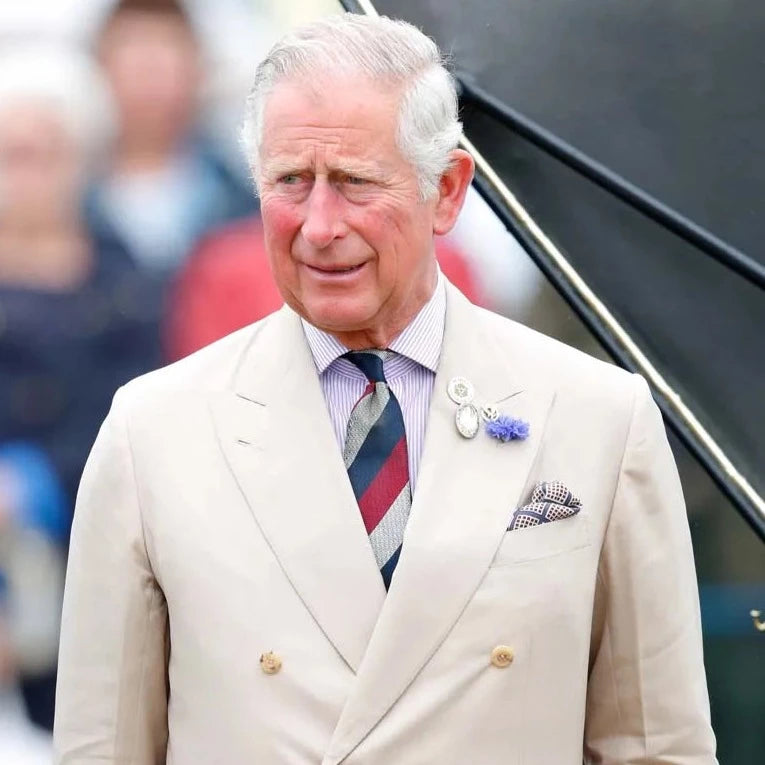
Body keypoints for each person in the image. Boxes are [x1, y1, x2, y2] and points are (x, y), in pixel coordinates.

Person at [54, 13, 717, 764]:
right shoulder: (154, 432)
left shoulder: (597, 416)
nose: (318, 226)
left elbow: (657, 747)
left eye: (354, 183)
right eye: (291, 182)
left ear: (448, 191)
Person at [86, 0, 255, 277]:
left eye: (166, 52)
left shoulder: (244, 199)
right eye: (133, 53)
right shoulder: (67, 200)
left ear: (198, 69)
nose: (150, 76)